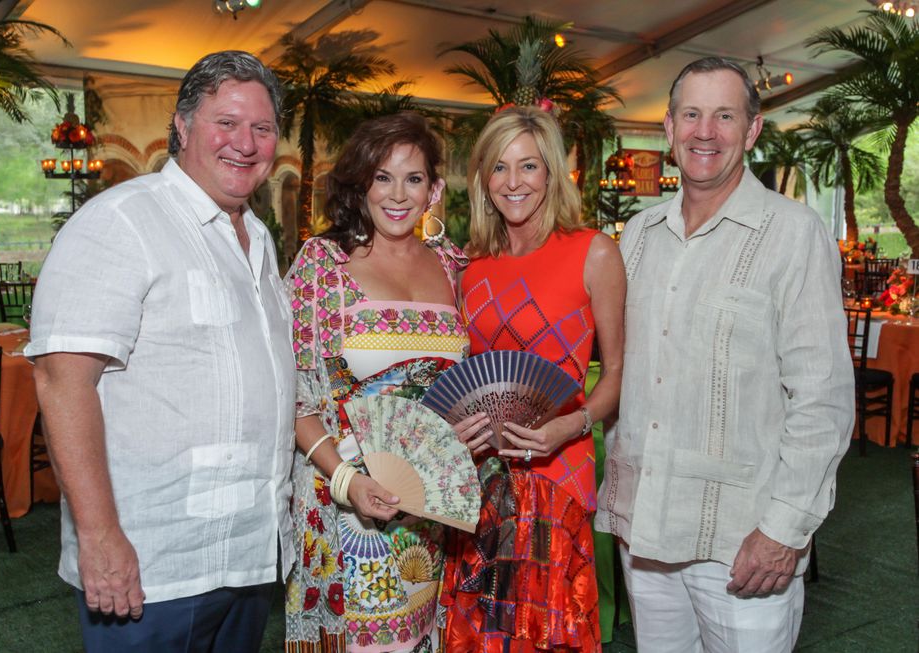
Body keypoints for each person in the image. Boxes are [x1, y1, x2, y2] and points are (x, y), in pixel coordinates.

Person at [27, 51, 294, 652]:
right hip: (155, 565)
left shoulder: (257, 240)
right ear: (182, 124)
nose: (245, 144)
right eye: (225, 123)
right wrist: (98, 537)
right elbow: (61, 382)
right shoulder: (120, 221)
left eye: (262, 128)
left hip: (247, 556)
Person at [595, 57, 855, 652]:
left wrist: (784, 531)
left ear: (752, 129)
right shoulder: (637, 234)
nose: (704, 131)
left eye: (724, 116)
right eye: (691, 114)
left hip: (742, 540)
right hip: (645, 529)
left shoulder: (794, 233)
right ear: (667, 127)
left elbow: (823, 398)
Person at [439, 105, 626, 652]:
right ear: (482, 179)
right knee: (479, 635)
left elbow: (616, 374)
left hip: (556, 476)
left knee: (550, 635)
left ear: (551, 172)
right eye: (499, 168)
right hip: (479, 479)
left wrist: (571, 426)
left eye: (528, 166)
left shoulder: (593, 252)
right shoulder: (471, 263)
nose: (513, 182)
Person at [284, 112, 468, 652]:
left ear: (433, 189)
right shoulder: (324, 264)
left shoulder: (452, 265)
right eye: (382, 177)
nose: (397, 194)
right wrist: (346, 481)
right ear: (361, 183)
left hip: (426, 513)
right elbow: (292, 392)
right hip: (340, 505)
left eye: (413, 179)